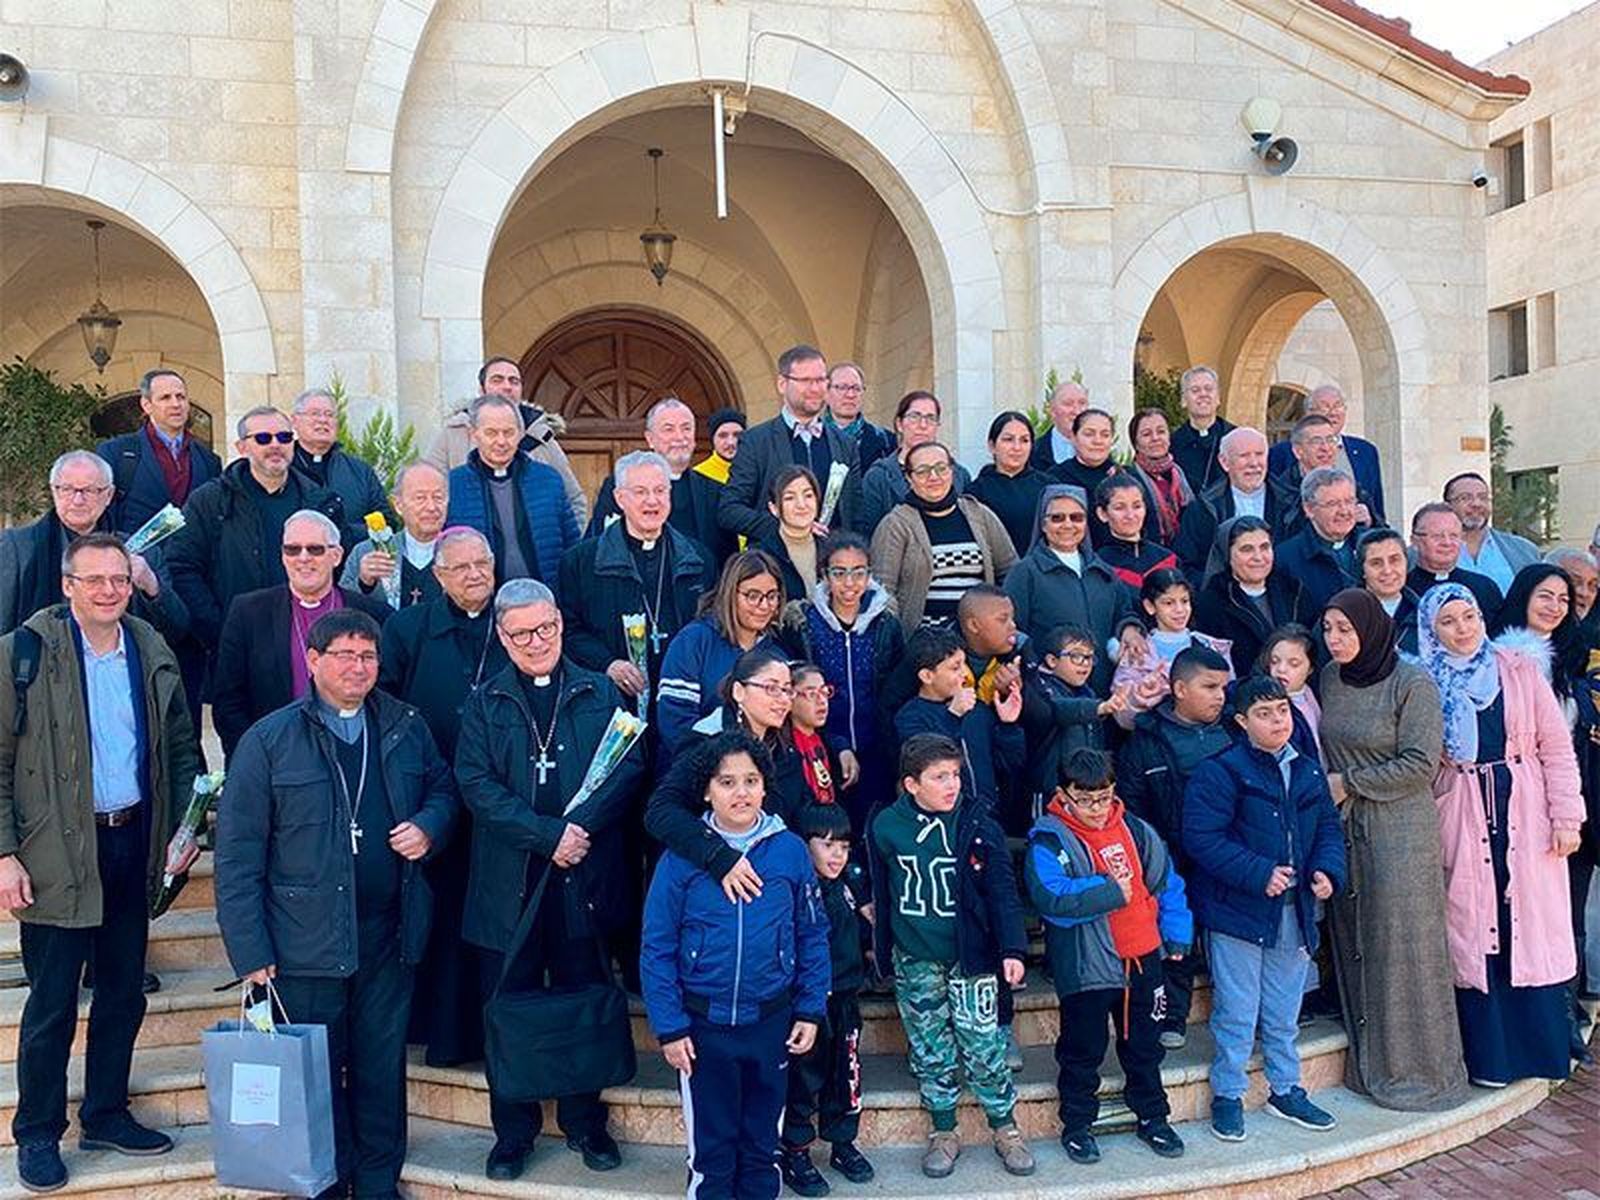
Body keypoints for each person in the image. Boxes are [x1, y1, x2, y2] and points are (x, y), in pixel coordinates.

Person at [215, 607, 456, 1199]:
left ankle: (377, 1182)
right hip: (302, 941)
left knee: (380, 1068)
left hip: (387, 935)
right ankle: (324, 1182)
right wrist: (249, 949)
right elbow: (238, 855)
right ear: (313, 661)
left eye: (367, 655)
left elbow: (443, 788)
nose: (357, 666)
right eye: (344, 655)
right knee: (315, 1074)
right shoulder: (269, 740)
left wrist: (429, 825)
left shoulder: (404, 725)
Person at [0, 533, 198, 1193]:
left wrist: (184, 828)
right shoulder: (24, 653)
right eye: (95, 580)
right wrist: (4, 854)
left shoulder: (149, 647)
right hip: (54, 851)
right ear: (68, 586)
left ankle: (107, 1113)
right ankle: (37, 1132)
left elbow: (179, 747)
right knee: (52, 1002)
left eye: (119, 579)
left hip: (131, 842)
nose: (110, 591)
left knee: (121, 992)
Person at [454, 579, 645, 1180]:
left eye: (545, 629)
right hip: (508, 883)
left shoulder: (597, 690)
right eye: (521, 634)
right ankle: (513, 1134)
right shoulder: (485, 702)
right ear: (502, 636)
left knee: (582, 1000)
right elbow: (475, 784)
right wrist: (547, 835)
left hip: (580, 880)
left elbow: (627, 765)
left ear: (560, 623)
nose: (536, 642)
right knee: (506, 1009)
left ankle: (586, 1123)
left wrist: (577, 829)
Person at [641, 730, 829, 1200]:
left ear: (765, 787)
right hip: (703, 1028)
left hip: (770, 1021)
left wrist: (809, 1009)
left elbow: (811, 932)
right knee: (712, 1150)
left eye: (751, 780)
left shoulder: (788, 851)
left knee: (762, 1146)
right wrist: (670, 1027)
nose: (740, 792)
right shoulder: (681, 856)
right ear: (706, 791)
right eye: (726, 782)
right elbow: (657, 946)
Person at [1420, 583, 1584, 1086]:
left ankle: (1539, 1051)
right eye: (1448, 622)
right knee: (1476, 925)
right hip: (1463, 811)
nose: (1462, 629)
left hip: (1525, 811)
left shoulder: (1517, 668)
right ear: (1431, 630)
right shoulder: (1424, 681)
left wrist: (1566, 817)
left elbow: (1556, 747)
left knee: (1527, 923)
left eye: (1468, 617)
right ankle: (1491, 1059)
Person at [1316, 589, 1469, 1111]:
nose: (1335, 639)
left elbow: (1420, 764)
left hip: (1399, 830)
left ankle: (1424, 1073)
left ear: (1371, 629)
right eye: (1328, 629)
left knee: (1404, 947)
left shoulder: (1411, 682)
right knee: (1358, 939)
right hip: (1346, 828)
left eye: (1345, 629)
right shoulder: (1331, 678)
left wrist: (1349, 782)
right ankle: (1373, 1066)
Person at [1184, 675, 1346, 1141]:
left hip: (1294, 911)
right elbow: (1201, 838)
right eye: (1264, 713)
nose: (1278, 721)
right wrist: (1258, 873)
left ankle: (1286, 1089)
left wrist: (1327, 870)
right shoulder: (1220, 771)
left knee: (1284, 1010)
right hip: (1237, 913)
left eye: (1282, 711)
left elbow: (1328, 829)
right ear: (1241, 721)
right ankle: (1228, 1094)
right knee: (1236, 1011)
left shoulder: (1307, 769)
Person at [868, 733, 1034, 1179]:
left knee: (984, 1044)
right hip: (915, 958)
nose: (952, 785)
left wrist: (1012, 948)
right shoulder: (885, 826)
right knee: (930, 1048)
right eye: (939, 777)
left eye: (955, 775)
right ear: (911, 784)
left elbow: (1002, 889)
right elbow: (879, 887)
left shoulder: (977, 822)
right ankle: (944, 1130)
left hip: (971, 956)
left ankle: (1005, 1127)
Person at [378, 527, 508, 1068]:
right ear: (438, 575)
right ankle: (448, 1034)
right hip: (433, 794)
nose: (475, 575)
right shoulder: (408, 628)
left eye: (483, 563)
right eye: (462, 567)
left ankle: (497, 1034)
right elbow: (386, 705)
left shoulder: (513, 623)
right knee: (445, 914)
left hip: (502, 796)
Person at [1026, 747, 1192, 1165]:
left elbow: (1166, 881)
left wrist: (1175, 932)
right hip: (1087, 965)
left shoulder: (1135, 829)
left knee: (1145, 1045)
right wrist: (1108, 891)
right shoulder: (1051, 839)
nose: (1097, 809)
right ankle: (1078, 1124)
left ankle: (1153, 1117)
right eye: (1085, 800)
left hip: (1143, 957)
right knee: (1083, 1048)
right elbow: (1051, 896)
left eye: (1104, 797)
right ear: (1063, 795)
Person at [1116, 645, 1233, 1048]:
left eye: (1223, 687)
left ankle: (1239, 1014)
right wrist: (1155, 853)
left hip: (1228, 853)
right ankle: (1172, 1016)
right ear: (1180, 689)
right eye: (1209, 687)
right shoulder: (1146, 738)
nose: (1220, 696)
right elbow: (1131, 805)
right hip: (1170, 854)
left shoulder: (1235, 731)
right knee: (1175, 933)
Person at [210, 510, 390, 761]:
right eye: (292, 550)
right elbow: (228, 701)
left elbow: (386, 694)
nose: (303, 558)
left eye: (315, 549)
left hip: (355, 754)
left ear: (336, 556)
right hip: (274, 756)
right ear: (283, 557)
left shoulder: (373, 614)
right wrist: (256, 758)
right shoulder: (248, 612)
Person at [165, 405, 345, 653]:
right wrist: (219, 628)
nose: (275, 445)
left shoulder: (321, 501)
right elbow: (182, 566)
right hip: (235, 643)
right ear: (242, 447)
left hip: (307, 639)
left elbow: (338, 566)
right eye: (262, 438)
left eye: (284, 437)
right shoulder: (209, 501)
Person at [559, 451, 716, 721]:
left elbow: (713, 627)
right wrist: (607, 664)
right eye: (640, 492)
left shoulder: (700, 559)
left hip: (683, 703)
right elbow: (568, 630)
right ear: (620, 498)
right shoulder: (580, 562)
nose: (652, 501)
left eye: (660, 491)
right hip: (610, 702)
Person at [775, 532, 905, 835]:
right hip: (819, 745)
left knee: (871, 828)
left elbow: (894, 688)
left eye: (858, 573)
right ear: (825, 575)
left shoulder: (885, 623)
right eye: (839, 573)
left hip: (875, 745)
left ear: (869, 576)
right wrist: (838, 744)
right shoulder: (804, 624)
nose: (849, 583)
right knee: (829, 832)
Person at [778, 803, 874, 1195]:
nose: (837, 855)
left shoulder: (848, 885)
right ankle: (795, 1150)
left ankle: (842, 1142)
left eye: (844, 847)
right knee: (803, 1078)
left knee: (845, 1076)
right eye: (827, 845)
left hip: (846, 997)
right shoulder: (796, 891)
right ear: (804, 846)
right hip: (808, 1005)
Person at [1, 451, 183, 639]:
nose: (78, 500)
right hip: (39, 654)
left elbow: (178, 629)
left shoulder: (142, 553)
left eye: (90, 490)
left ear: (109, 495)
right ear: (54, 491)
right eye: (67, 489)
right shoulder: (16, 548)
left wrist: (151, 584)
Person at [422, 355, 589, 527]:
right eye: (497, 380)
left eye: (514, 381)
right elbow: (428, 494)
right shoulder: (453, 434)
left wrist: (559, 542)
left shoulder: (541, 437)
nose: (507, 386)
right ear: (482, 389)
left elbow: (573, 499)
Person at [720, 345, 862, 542]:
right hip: (777, 558)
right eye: (806, 381)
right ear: (782, 384)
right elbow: (729, 510)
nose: (815, 389)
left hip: (831, 558)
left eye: (821, 380)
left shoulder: (846, 444)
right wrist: (787, 528)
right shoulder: (755, 441)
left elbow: (856, 514)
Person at [1003, 484, 1134, 692]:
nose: (1067, 524)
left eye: (1076, 518)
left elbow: (1124, 613)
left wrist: (1130, 629)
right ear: (1043, 524)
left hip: (1104, 689)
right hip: (1051, 692)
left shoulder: (1103, 571)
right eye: (1057, 518)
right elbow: (1011, 631)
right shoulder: (1025, 572)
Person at [871, 442, 1015, 629]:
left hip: (980, 637)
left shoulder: (980, 515)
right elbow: (882, 590)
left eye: (941, 468)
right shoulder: (895, 524)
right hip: (923, 637)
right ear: (909, 478)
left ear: (952, 471)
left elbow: (1010, 570)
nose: (934, 477)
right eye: (922, 471)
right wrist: (900, 635)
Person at [447, 393, 580, 590]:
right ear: (474, 434)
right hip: (482, 600)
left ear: (520, 433)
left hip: (546, 597)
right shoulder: (452, 485)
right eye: (491, 433)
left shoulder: (548, 479)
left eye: (508, 432)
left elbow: (572, 544)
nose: (501, 441)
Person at [657, 549, 784, 754]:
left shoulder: (775, 655)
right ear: (730, 593)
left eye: (772, 596)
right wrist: (721, 764)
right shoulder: (694, 641)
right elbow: (675, 724)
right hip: (697, 764)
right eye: (752, 596)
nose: (764, 606)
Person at [893, 625, 1024, 818]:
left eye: (964, 664)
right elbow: (930, 762)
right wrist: (952, 716)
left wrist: (1008, 726)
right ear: (927, 676)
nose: (964, 673)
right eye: (955, 667)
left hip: (987, 816)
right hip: (944, 822)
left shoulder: (977, 709)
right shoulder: (910, 717)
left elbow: (1010, 764)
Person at [584, 398, 733, 561]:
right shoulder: (621, 485)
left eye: (686, 428)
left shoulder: (714, 491)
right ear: (650, 439)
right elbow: (597, 544)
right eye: (669, 429)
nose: (680, 437)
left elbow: (727, 556)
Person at [96, 368, 222, 536]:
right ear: (147, 405)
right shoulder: (116, 453)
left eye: (181, 397)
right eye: (165, 398)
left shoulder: (209, 460)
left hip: (192, 551)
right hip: (133, 551)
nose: (176, 404)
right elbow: (102, 514)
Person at [1171, 426, 1294, 584]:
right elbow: (1186, 565)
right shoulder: (1203, 508)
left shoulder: (1292, 503)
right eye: (1244, 456)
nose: (1254, 463)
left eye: (1259, 454)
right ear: (1224, 462)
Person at [1112, 570, 1232, 721]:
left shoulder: (1212, 646)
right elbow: (1121, 713)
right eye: (1169, 603)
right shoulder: (1138, 651)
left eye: (1184, 601)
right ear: (1150, 606)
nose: (1180, 610)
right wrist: (1140, 695)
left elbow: (1229, 695)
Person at [1025, 624, 1123, 807]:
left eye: (1089, 657)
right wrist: (1099, 708)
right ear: (1052, 660)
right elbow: (1058, 710)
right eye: (1076, 656)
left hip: (1084, 792)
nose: (1085, 663)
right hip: (1049, 792)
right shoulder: (1041, 689)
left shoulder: (1087, 693)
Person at [1192, 516, 1302, 677]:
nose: (1258, 557)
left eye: (1265, 547)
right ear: (1227, 555)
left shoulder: (1294, 591)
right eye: (1247, 549)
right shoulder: (1210, 604)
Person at [857, 391, 971, 536]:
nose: (923, 425)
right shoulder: (879, 476)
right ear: (899, 424)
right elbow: (869, 533)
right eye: (914, 417)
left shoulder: (958, 475)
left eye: (930, 418)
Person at [1268, 385, 1385, 525]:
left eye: (1338, 406)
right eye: (1325, 407)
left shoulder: (1365, 451)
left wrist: (1371, 520)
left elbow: (1378, 511)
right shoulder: (1281, 453)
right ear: (1309, 413)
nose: (1333, 413)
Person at [340, 461, 450, 610]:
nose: (431, 507)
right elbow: (341, 608)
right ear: (398, 505)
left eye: (438, 497)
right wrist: (364, 582)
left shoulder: (462, 553)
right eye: (420, 498)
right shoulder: (366, 552)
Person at [289, 387, 396, 534]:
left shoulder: (360, 472)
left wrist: (345, 533)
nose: (323, 420)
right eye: (315, 414)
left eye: (329, 415)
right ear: (295, 421)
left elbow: (386, 523)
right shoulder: (282, 468)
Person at [1049, 409, 1162, 546]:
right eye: (1089, 434)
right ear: (1073, 437)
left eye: (1105, 435)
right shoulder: (1055, 478)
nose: (1098, 441)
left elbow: (1151, 525)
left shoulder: (1128, 476)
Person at [1274, 467, 1362, 613]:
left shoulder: (1371, 545)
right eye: (1332, 504)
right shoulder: (1285, 558)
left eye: (1349, 501)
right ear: (1309, 509)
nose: (1344, 511)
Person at [1273, 414, 1377, 537]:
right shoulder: (1280, 492)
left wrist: (1370, 521)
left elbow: (1381, 533)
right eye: (1316, 441)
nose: (1326, 448)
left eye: (1330, 440)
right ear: (1298, 451)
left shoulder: (1350, 487)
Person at [966, 410, 1051, 558]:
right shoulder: (975, 492)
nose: (1017, 447)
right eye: (1008, 439)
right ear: (992, 446)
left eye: (1024, 440)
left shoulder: (1048, 486)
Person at [1444, 472, 1539, 595]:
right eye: (1465, 498)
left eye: (1483, 497)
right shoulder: (1427, 552)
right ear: (1447, 506)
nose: (1476, 504)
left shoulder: (1524, 551)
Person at [1408, 502, 1503, 617]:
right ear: (1415, 541)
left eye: (1453, 536)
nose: (1447, 543)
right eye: (1437, 536)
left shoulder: (1485, 588)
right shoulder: (1404, 590)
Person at [1092, 474, 1178, 590]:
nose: (1130, 515)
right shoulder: (1098, 565)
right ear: (1102, 514)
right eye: (1119, 508)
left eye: (1137, 506)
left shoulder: (1167, 558)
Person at [757, 465, 827, 600]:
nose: (801, 504)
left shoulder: (831, 549)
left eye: (808, 495)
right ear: (774, 508)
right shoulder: (762, 557)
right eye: (790, 498)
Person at [1128, 408, 1194, 546]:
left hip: (1185, 550)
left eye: (1161, 431)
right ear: (1136, 443)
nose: (1155, 438)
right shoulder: (1129, 479)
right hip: (1147, 551)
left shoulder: (1180, 473)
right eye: (1146, 434)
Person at [1355, 527, 1423, 656]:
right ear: (1362, 570)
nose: (1387, 570)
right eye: (1376, 563)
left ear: (1406, 563)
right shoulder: (1342, 613)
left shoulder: (1425, 615)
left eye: (1394, 560)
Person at [1169, 366, 1235, 492]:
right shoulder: (1173, 444)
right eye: (1195, 390)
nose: (1203, 394)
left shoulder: (1236, 437)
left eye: (1208, 389)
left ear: (1218, 398)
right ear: (1183, 400)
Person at [1262, 624, 1322, 759]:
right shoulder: (1265, 704)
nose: (1281, 669)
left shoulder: (1313, 692)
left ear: (1310, 668)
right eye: (1274, 661)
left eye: (1293, 664)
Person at [789, 663, 844, 810]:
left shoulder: (826, 741)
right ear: (790, 697)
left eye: (824, 692)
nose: (822, 701)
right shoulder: (784, 749)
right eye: (811, 694)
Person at [824, 361, 893, 469]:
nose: (850, 395)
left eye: (856, 388)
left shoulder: (886, 441)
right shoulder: (808, 437)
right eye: (842, 387)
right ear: (826, 393)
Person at [1029, 380, 1088, 473]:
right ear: (1052, 410)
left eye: (1082, 403)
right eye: (1068, 404)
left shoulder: (1099, 451)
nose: (1077, 411)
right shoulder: (1033, 452)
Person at [693, 407, 746, 486]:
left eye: (737, 435)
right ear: (712, 439)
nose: (731, 442)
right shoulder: (698, 477)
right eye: (723, 436)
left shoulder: (759, 470)